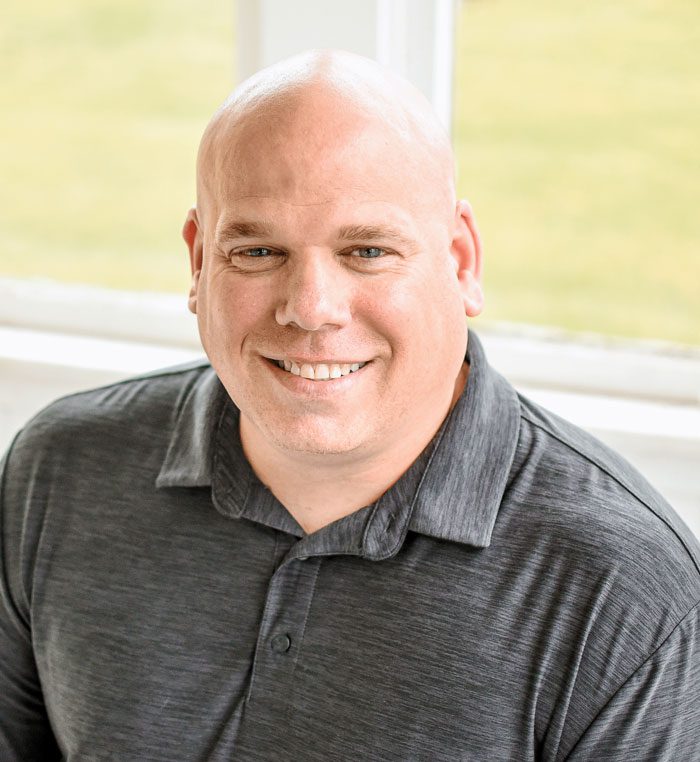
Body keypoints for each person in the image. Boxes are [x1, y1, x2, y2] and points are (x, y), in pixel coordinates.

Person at [0, 49, 698, 761]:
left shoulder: (624, 592)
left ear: (461, 262)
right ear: (199, 261)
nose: (310, 309)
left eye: (366, 251)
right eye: (259, 251)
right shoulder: (58, 473)